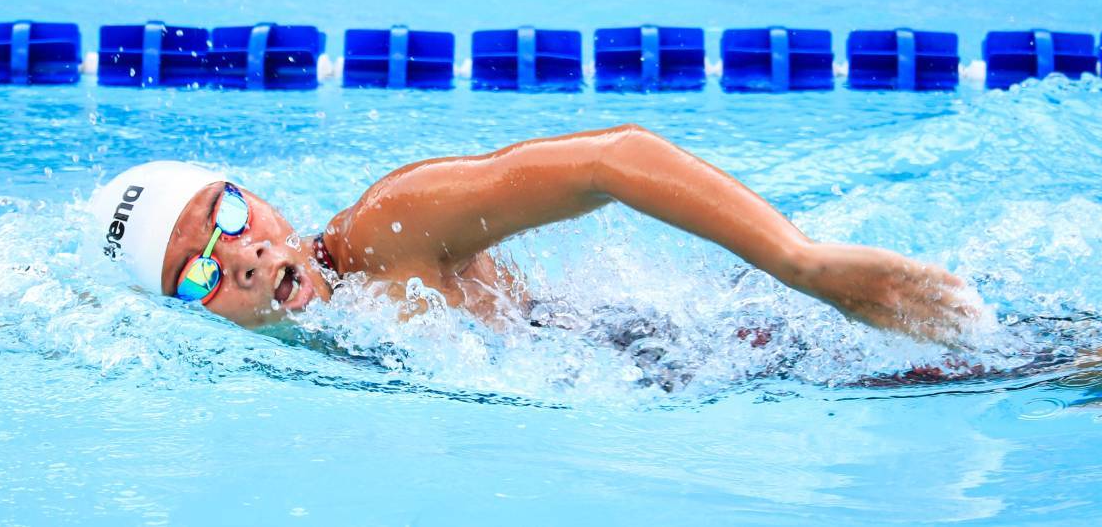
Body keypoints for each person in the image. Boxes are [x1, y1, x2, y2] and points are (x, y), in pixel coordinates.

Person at [91, 124, 986, 347]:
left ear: (267, 206)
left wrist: (807, 266)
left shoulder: (387, 230)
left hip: (691, 353)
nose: (240, 255)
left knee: (1022, 359)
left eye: (232, 217)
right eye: (197, 270)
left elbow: (613, 158)